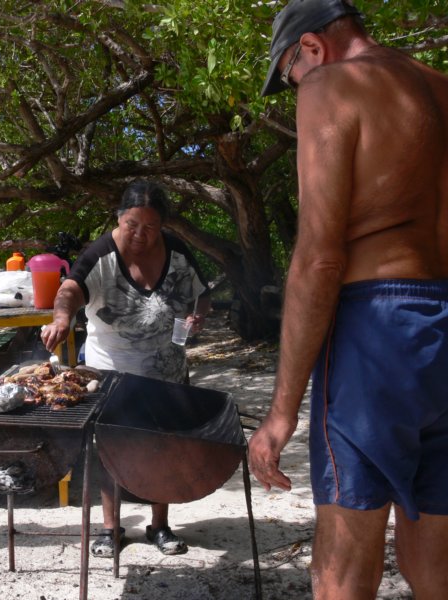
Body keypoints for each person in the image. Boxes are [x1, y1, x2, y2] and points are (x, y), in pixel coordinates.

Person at [248, 1, 448, 597]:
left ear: (311, 48)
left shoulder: (333, 84)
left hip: (379, 328)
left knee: (344, 562)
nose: (297, 94)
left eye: (290, 79)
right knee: (436, 564)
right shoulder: (440, 86)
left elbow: (319, 256)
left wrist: (283, 411)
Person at [41, 180, 211, 557]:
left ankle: (160, 526)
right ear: (119, 217)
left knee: (164, 448)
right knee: (110, 451)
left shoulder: (177, 252)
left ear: (163, 226)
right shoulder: (102, 253)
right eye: (132, 224)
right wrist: (61, 318)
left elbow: (202, 295)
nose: (140, 234)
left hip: (166, 372)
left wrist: (197, 315)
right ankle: (110, 529)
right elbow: (70, 288)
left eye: (150, 227)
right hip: (111, 373)